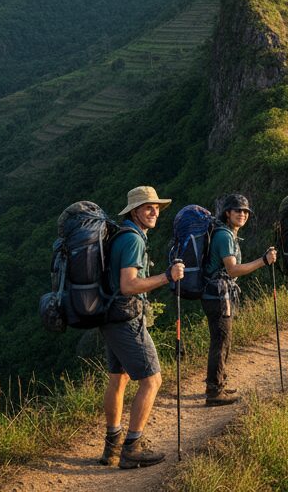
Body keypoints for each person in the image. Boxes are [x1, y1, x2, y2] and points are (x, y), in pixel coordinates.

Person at [100, 186, 183, 469]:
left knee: (119, 378)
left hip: (108, 316)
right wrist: (168, 276)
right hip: (125, 317)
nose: (154, 211)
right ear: (134, 211)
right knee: (152, 380)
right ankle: (131, 448)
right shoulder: (133, 240)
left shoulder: (120, 235)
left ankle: (112, 446)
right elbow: (129, 285)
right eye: (148, 207)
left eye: (157, 207)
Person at [203, 193, 276, 406]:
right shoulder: (225, 236)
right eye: (238, 211)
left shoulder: (228, 234)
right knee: (221, 341)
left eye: (245, 211)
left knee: (223, 340)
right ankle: (214, 391)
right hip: (217, 295)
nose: (243, 214)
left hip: (218, 293)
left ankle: (218, 382)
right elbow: (233, 269)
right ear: (228, 213)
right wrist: (263, 261)